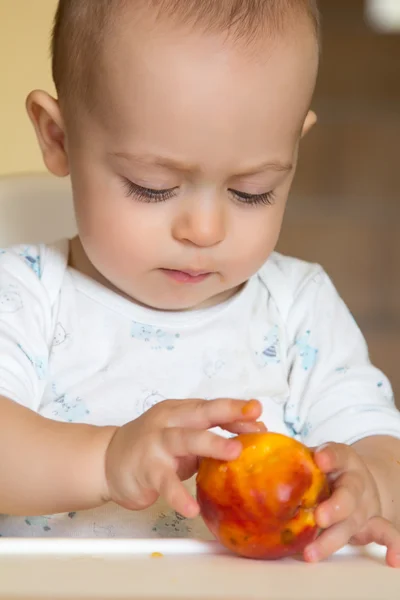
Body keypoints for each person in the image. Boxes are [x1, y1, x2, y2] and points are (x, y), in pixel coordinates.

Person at [0, 0, 399, 565]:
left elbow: (380, 446)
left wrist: (372, 486)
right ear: (59, 137)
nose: (204, 230)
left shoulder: (298, 308)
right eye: (152, 186)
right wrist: (107, 459)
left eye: (251, 191)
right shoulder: (24, 297)